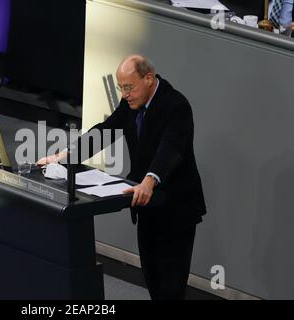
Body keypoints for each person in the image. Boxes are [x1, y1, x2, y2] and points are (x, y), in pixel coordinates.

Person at [37, 55, 207, 300]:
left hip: (175, 208)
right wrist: (63, 157)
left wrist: (149, 180)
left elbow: (171, 150)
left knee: (170, 289)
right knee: (154, 281)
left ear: (148, 79)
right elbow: (104, 132)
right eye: (121, 88)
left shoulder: (176, 105)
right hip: (145, 204)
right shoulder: (131, 103)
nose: (125, 94)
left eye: (129, 87)